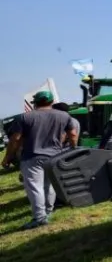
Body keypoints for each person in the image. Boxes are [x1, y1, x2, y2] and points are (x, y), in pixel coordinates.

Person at [1, 91, 76, 230]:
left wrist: (8, 157)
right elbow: (72, 134)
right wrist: (73, 149)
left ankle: (39, 218)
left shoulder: (24, 117)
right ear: (52, 101)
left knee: (35, 187)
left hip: (32, 156)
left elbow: (15, 139)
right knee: (50, 186)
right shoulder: (64, 116)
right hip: (54, 156)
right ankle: (47, 212)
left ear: (35, 103)